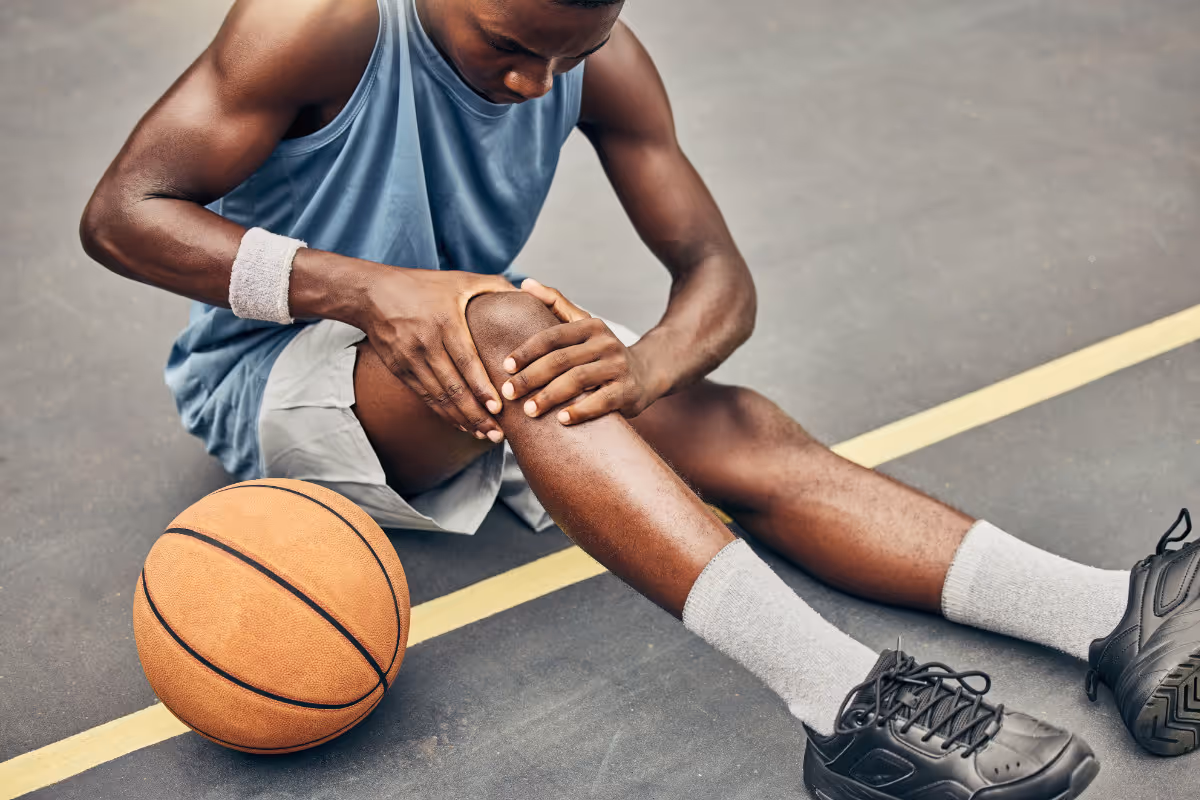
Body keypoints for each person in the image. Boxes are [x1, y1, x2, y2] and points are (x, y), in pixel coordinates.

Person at [80, 0, 1200, 796]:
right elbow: (123, 214)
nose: (534, 82)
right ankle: (843, 700)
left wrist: (652, 366)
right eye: (510, 45)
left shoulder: (590, 59)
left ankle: (1106, 610)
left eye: (571, 52)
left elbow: (718, 277)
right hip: (281, 377)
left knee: (732, 422)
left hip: (482, 353)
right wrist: (373, 293)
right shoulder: (316, 21)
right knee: (521, 328)